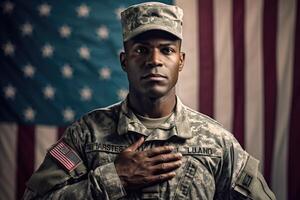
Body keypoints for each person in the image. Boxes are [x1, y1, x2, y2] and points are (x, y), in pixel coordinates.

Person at [23, 2, 276, 200]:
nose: (154, 60)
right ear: (125, 61)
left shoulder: (218, 143)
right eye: (141, 50)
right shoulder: (87, 134)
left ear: (181, 61)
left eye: (166, 50)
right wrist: (115, 178)